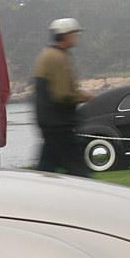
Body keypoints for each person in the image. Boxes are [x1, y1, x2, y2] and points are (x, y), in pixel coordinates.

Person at [33, 18, 94, 176]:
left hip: (50, 122)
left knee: (46, 170)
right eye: (74, 34)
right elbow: (61, 94)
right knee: (79, 170)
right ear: (65, 35)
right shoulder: (58, 57)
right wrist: (83, 96)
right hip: (59, 123)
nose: (76, 37)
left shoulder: (48, 54)